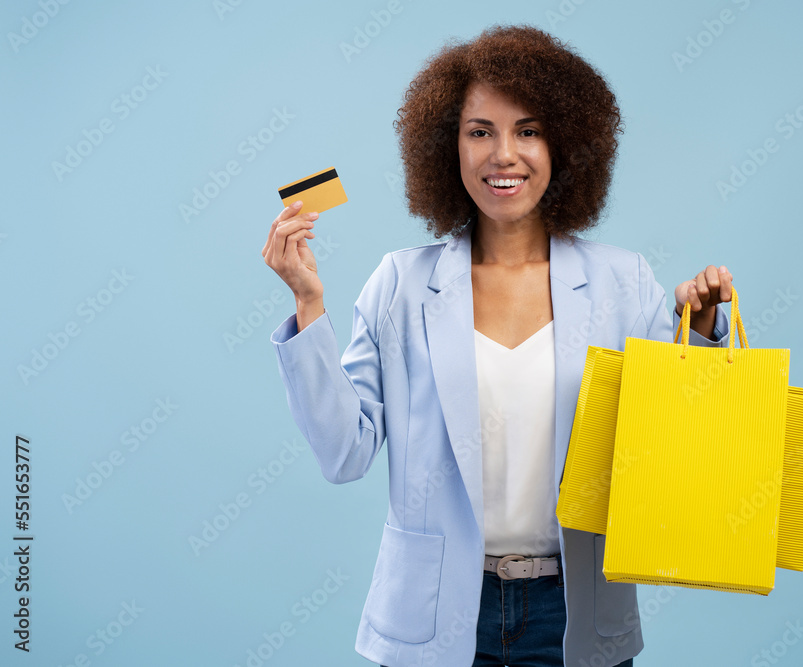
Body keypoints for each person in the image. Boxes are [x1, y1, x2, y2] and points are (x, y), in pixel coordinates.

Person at [263, 24, 733, 667]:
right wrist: (309, 306)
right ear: (447, 147)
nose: (503, 154)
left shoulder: (623, 282)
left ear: (565, 144)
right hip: (434, 613)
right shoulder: (399, 284)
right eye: (480, 131)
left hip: (576, 612)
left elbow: (681, 440)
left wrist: (701, 332)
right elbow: (345, 454)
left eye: (529, 131)